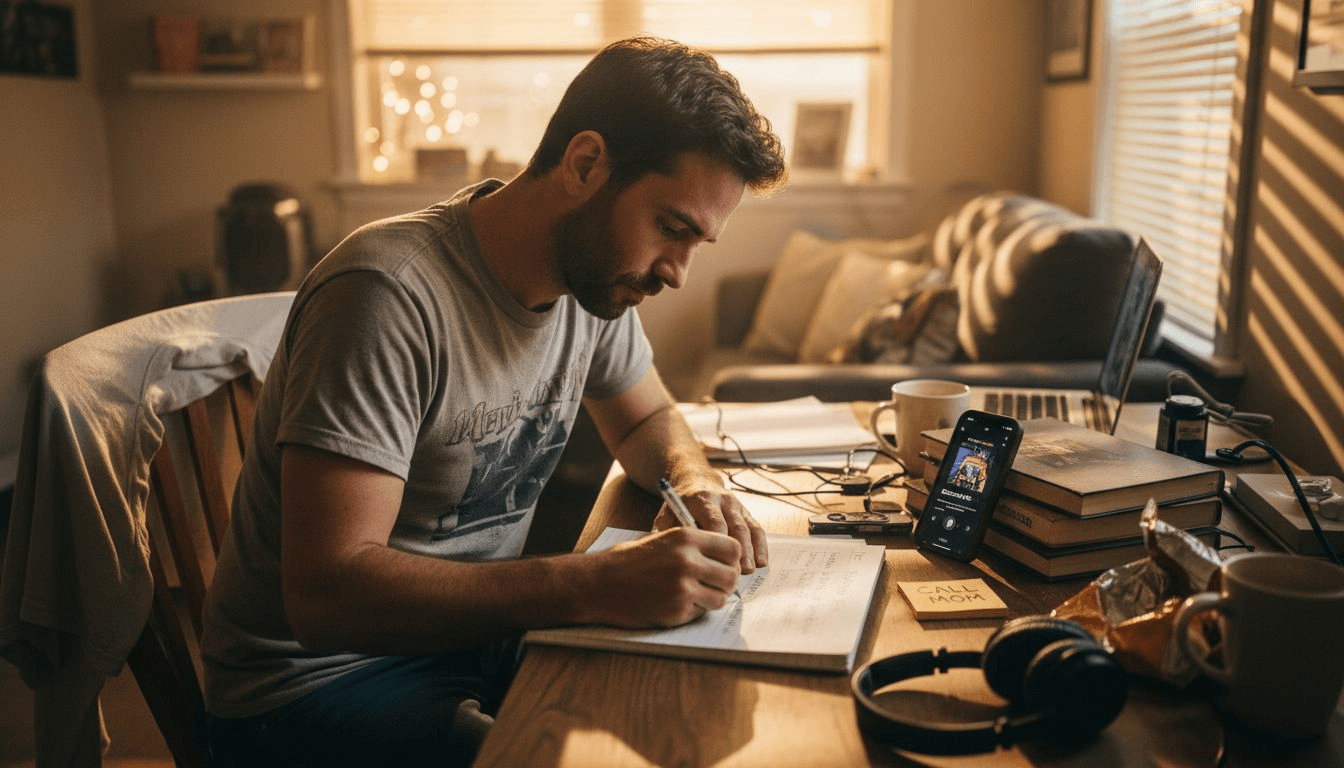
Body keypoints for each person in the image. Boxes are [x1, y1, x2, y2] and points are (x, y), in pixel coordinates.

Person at [201, 36, 787, 766]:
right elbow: (327, 599)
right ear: (584, 165)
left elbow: (647, 417)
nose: (677, 273)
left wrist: (694, 480)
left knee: (698, 715)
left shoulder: (590, 283)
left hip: (467, 645)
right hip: (311, 691)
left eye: (698, 242)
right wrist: (590, 582)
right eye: (672, 229)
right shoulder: (386, 296)